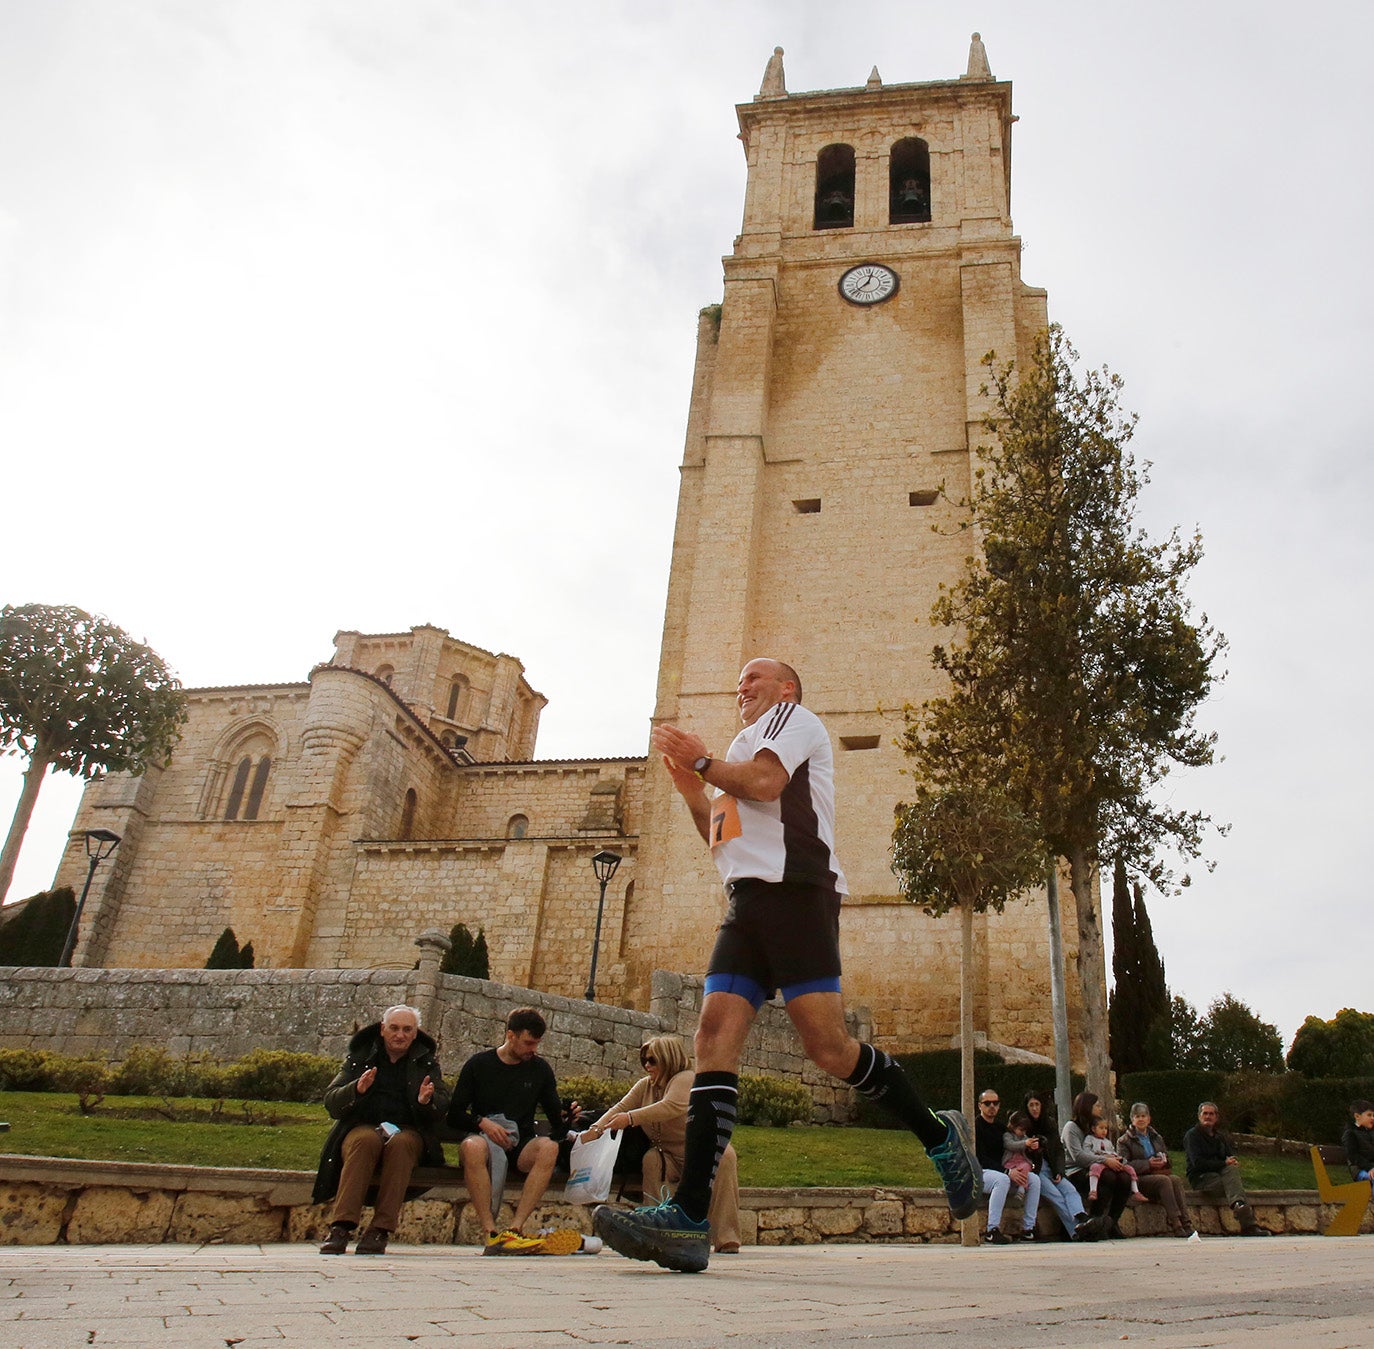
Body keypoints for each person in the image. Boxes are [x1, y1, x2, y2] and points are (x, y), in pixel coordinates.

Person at [595, 658, 981, 1273]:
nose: (739, 688)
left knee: (829, 1050)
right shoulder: (737, 756)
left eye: (753, 678)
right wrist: (695, 788)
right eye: (738, 682)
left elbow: (769, 785)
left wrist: (702, 763)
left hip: (798, 892)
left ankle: (939, 1135)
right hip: (747, 900)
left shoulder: (793, 721)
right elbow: (719, 836)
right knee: (711, 1039)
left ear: (786, 688)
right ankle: (692, 1218)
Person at [581, 1035, 742, 1253]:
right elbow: (619, 1107)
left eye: (652, 1060)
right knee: (652, 1160)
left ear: (668, 1059)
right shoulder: (645, 1086)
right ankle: (653, 1230)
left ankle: (726, 1238)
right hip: (668, 1155)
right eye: (644, 1060)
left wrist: (629, 1119)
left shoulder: (685, 1078)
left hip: (704, 1153)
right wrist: (594, 1131)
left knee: (722, 1163)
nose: (647, 1065)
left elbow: (671, 1106)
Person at [313, 1003, 449, 1256]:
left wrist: (426, 1101)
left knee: (401, 1145)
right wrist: (356, 1089)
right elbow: (332, 1101)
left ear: (415, 1033)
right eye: (395, 1028)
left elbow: (441, 1104)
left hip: (408, 1130)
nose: (400, 1035)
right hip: (363, 1126)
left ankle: (380, 1228)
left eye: (407, 1030)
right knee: (365, 1142)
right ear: (383, 1030)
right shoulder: (361, 1058)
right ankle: (342, 1226)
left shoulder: (425, 1063)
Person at [447, 1006, 575, 1254]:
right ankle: (490, 1231)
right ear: (510, 1036)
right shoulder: (479, 1064)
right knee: (473, 1147)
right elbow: (455, 1114)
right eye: (528, 1043)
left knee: (548, 1148)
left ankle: (515, 1229)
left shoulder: (540, 1069)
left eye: (537, 1044)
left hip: (520, 1142)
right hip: (481, 1138)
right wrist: (482, 1122)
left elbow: (556, 1125)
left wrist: (568, 1116)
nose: (533, 1050)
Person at [1183, 1101, 1270, 1236]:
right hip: (1201, 1179)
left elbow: (1229, 1157)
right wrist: (1224, 1163)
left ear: (1216, 1117)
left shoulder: (1219, 1137)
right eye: (1205, 1113)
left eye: (1211, 1114)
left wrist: (1232, 1162)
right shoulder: (1192, 1136)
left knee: (1232, 1174)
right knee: (1235, 1184)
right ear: (1199, 1116)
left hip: (1220, 1178)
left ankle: (1239, 1206)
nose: (1208, 1117)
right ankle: (1248, 1224)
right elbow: (1198, 1163)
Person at [1022, 1088, 1098, 1240]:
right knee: (1056, 1197)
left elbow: (1058, 1149)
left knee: (1070, 1190)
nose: (1035, 1108)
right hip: (1035, 1170)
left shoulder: (1049, 1123)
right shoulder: (1023, 1124)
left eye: (1037, 1104)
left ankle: (1081, 1217)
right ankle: (1076, 1231)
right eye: (1031, 1105)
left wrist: (1059, 1171)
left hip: (1051, 1167)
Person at [1117, 1101, 1193, 1237]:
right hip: (1138, 1179)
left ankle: (1186, 1223)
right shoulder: (1124, 1141)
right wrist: (1148, 1164)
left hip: (1158, 1173)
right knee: (1163, 1181)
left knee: (1175, 1179)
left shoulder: (1157, 1138)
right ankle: (1176, 1223)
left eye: (1143, 1116)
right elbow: (1124, 1164)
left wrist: (1164, 1161)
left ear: (1149, 1118)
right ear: (1132, 1119)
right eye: (1137, 1116)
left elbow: (1169, 1159)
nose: (1140, 1119)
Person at [1062, 1092, 1132, 1237]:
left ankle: (1112, 1222)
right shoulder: (1071, 1128)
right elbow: (1078, 1156)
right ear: (1087, 1107)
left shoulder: (1094, 1127)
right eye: (1097, 1105)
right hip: (1076, 1171)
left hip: (1096, 1167)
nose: (1100, 1108)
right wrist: (1105, 1161)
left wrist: (1114, 1160)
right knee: (1108, 1177)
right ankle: (1094, 1221)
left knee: (1125, 1178)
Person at [975, 1090, 1040, 1243]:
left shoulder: (1000, 1128)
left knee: (1034, 1180)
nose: (992, 1106)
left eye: (995, 1103)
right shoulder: (976, 1126)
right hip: (982, 1171)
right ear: (979, 1106)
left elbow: (1012, 1148)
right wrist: (1007, 1171)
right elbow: (979, 1157)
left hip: (1005, 1170)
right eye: (987, 1103)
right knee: (1002, 1180)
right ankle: (992, 1229)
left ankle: (1028, 1229)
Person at [1082, 1117, 1144, 1201]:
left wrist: (1118, 1158)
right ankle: (1093, 1190)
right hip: (1100, 1161)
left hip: (1112, 1162)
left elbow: (1113, 1152)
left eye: (1106, 1128)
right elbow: (1086, 1152)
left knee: (1130, 1169)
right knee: (1095, 1167)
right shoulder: (1089, 1139)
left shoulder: (1108, 1142)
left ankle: (1136, 1192)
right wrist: (1102, 1158)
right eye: (1101, 1128)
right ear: (1093, 1128)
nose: (1104, 1131)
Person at [1342, 1099, 1374, 1189]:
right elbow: (1353, 1156)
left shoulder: (1371, 1133)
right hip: (1360, 1170)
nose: (1372, 1118)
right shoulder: (1350, 1133)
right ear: (1357, 1116)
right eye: (1369, 1115)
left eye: (1373, 1115)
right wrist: (1370, 1168)